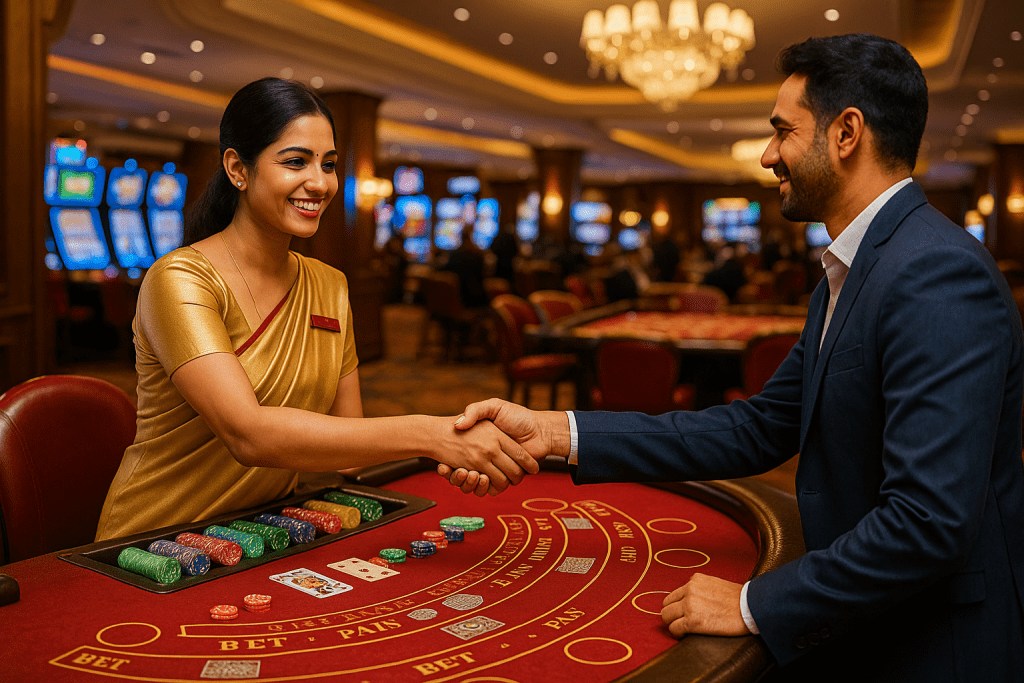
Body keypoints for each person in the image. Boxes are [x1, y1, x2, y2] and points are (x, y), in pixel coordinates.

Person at [440, 34, 1024, 682]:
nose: (769, 154)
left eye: (782, 131)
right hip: (875, 620)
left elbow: (927, 522)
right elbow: (757, 425)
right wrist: (556, 431)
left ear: (846, 133)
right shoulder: (854, 269)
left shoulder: (934, 271)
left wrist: (753, 602)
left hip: (935, 647)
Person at [95, 78, 534, 541]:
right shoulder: (180, 279)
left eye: (328, 164)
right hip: (152, 543)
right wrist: (433, 434)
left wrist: (451, 453)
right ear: (237, 169)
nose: (319, 183)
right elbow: (250, 435)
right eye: (295, 162)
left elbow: (350, 448)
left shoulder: (329, 285)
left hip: (264, 532)